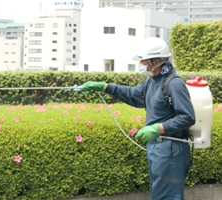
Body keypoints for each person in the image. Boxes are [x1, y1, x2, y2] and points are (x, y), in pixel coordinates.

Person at [81, 37, 195, 200]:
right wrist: (106, 87)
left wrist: (157, 128)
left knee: (166, 197)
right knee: (160, 195)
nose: (141, 65)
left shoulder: (174, 84)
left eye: (143, 61)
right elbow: (134, 95)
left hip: (170, 148)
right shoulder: (151, 82)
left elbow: (187, 117)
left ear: (156, 61)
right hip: (158, 148)